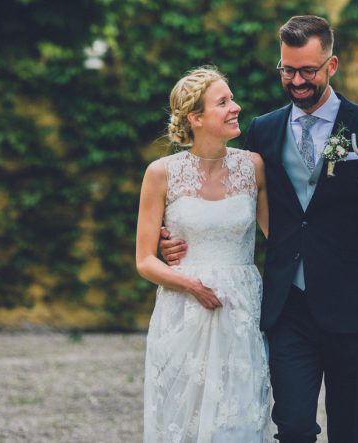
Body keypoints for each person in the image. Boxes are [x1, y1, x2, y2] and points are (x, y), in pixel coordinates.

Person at [162, 16, 358, 442]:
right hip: (289, 307)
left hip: (354, 304)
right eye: (287, 70)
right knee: (294, 427)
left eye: (307, 71)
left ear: (331, 66)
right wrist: (171, 240)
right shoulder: (264, 129)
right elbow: (232, 196)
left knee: (351, 433)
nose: (296, 81)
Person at [136, 66, 272, 441]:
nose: (236, 107)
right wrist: (190, 283)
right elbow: (145, 260)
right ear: (195, 118)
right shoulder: (161, 173)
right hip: (182, 310)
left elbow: (283, 238)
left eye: (232, 98)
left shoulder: (253, 167)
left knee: (239, 415)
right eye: (223, 102)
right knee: (183, 418)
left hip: (242, 308)